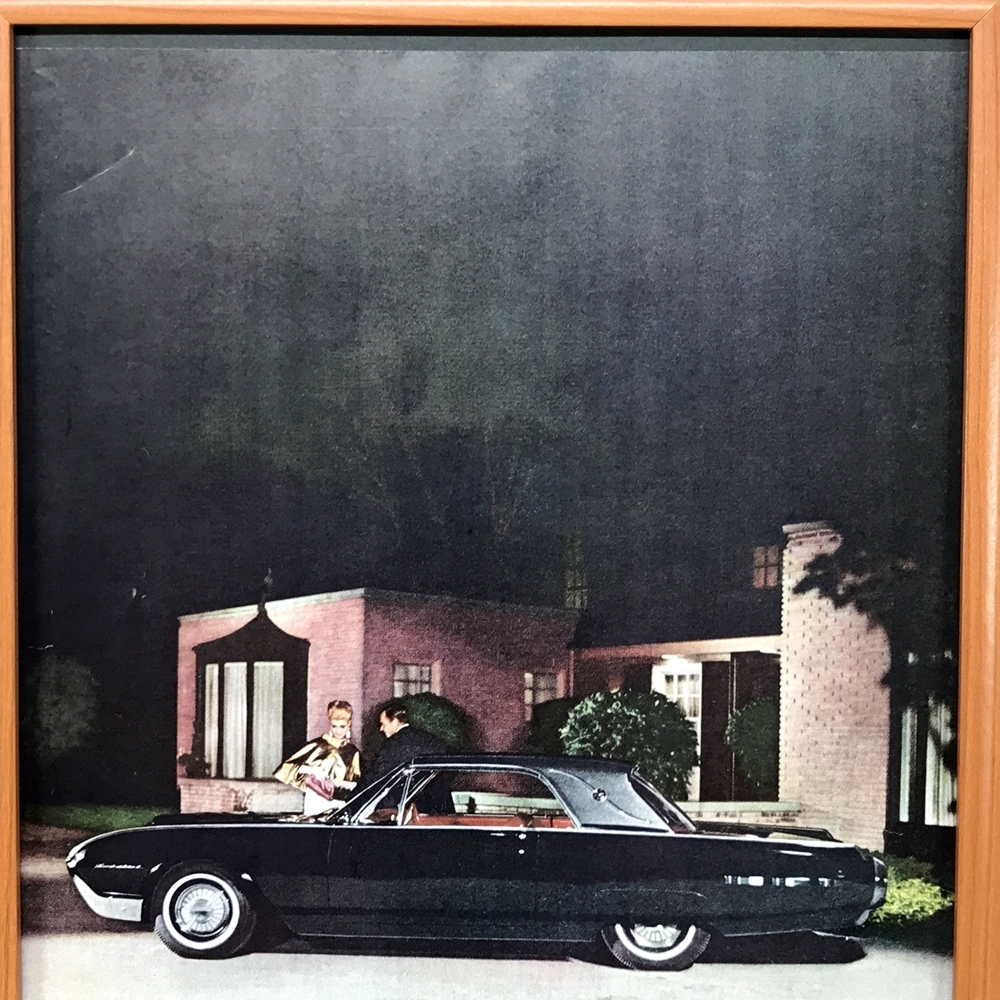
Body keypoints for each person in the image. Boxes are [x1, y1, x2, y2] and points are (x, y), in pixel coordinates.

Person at [273, 700, 362, 816]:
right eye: (334, 726)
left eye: (342, 726)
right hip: (316, 803)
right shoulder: (318, 745)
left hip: (339, 804)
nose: (338, 731)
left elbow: (357, 784)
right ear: (329, 724)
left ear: (349, 724)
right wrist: (312, 770)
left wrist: (340, 784)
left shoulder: (353, 752)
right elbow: (287, 767)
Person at [366, 698, 454, 814]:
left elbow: (375, 777)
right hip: (442, 811)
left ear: (395, 721)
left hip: (410, 812)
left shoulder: (393, 743)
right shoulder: (431, 739)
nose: (381, 729)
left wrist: (351, 802)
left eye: (383, 724)